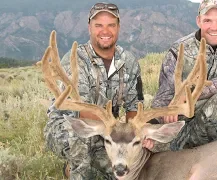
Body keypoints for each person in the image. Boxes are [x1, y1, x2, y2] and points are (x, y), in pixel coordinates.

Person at [44, 2, 143, 179]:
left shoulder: (129, 62)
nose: (105, 31)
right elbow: (83, 113)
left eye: (111, 25)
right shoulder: (75, 60)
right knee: (82, 143)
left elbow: (133, 107)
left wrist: (133, 132)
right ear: (89, 27)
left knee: (127, 166)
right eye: (99, 25)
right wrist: (116, 127)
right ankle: (75, 170)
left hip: (106, 129)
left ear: (118, 27)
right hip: (69, 125)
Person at [150, 0, 217, 151]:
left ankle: (182, 146)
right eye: (207, 20)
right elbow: (163, 96)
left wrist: (187, 95)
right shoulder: (179, 49)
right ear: (198, 21)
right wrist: (167, 113)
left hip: (214, 108)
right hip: (181, 115)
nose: (214, 27)